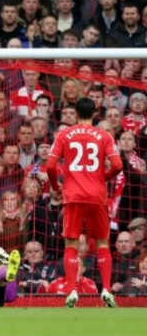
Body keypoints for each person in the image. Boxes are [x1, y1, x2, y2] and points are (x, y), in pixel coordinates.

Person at [46, 97, 123, 308]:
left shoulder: (64, 134)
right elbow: (118, 165)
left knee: (71, 244)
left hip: (73, 196)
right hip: (97, 196)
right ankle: (106, 289)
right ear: (95, 113)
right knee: (102, 243)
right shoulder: (104, 135)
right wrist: (103, 177)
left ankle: (71, 290)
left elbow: (50, 166)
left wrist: (55, 188)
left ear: (75, 113)